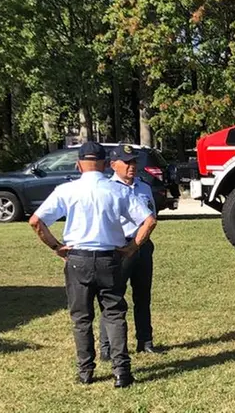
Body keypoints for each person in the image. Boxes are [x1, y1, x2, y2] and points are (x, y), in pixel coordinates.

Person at [28, 142, 156, 388]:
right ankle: (122, 371)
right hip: (111, 257)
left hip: (78, 258)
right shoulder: (117, 190)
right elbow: (149, 221)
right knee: (115, 313)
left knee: (81, 318)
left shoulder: (67, 190)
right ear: (106, 164)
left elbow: (36, 221)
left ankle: (86, 371)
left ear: (78, 165)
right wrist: (132, 248)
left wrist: (57, 247)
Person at [99, 144, 158, 359]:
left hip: (142, 245)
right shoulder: (107, 189)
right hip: (118, 247)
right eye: (127, 162)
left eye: (134, 161)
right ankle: (106, 347)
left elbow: (151, 215)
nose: (132, 166)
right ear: (113, 165)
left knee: (143, 296)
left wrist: (140, 243)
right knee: (113, 298)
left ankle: (145, 340)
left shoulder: (143, 187)